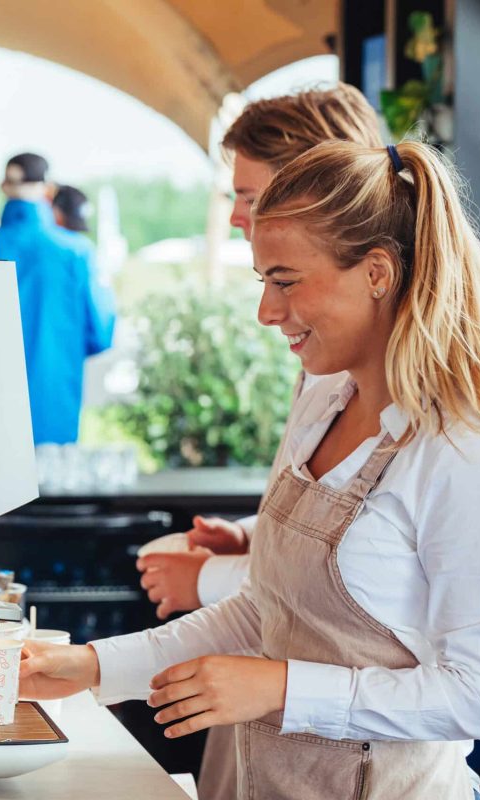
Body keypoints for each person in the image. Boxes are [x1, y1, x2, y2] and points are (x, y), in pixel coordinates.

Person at [18, 139, 480, 800]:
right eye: (263, 282)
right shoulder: (323, 403)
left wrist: (279, 686)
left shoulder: (466, 451)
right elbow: (263, 613)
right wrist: (91, 665)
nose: (266, 313)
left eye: (286, 281)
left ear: (378, 273)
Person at [136, 86, 383, 623]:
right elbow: (342, 517)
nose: (234, 216)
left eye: (248, 197)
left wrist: (206, 579)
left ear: (311, 187)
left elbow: (364, 572)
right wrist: (252, 533)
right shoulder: (328, 355)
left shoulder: (349, 357)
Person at [0, 154, 115, 444]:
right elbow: (101, 333)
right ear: (48, 189)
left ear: (3, 187)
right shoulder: (77, 252)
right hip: (54, 407)